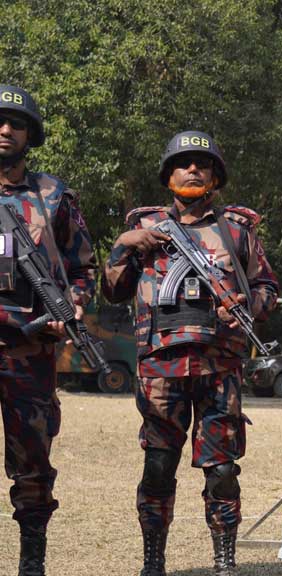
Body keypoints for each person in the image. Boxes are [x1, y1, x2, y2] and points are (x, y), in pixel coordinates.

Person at [102, 131, 278, 576]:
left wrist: (246, 306)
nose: (193, 169)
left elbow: (267, 288)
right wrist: (125, 245)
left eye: (203, 163)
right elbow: (112, 291)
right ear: (169, 176)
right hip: (161, 365)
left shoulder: (236, 231)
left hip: (219, 365)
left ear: (216, 177)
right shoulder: (144, 229)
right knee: (159, 466)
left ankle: (224, 561)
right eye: (184, 163)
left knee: (221, 469)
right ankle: (153, 561)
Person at [0, 83, 98, 576]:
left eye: (15, 123)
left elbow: (84, 268)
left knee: (33, 465)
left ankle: (31, 564)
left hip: (31, 351)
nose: (4, 129)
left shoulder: (53, 195)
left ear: (30, 134)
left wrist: (73, 306)